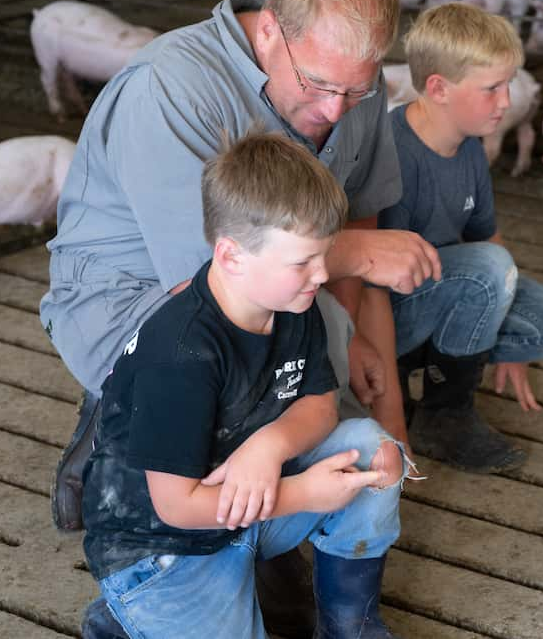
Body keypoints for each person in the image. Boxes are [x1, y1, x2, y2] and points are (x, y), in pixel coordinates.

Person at [41, 0, 437, 638]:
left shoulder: (349, 88)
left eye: (357, 90)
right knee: (243, 350)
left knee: (317, 334)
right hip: (137, 299)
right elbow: (208, 276)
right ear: (268, 33)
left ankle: (273, 540)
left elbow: (351, 229)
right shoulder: (171, 84)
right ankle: (120, 433)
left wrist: (376, 394)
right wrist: (359, 268)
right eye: (318, 85)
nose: (338, 110)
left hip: (279, 298)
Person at [82, 131, 407, 639]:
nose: (321, 274)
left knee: (373, 450)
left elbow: (320, 401)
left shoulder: (291, 301)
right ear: (232, 256)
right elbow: (177, 506)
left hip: (245, 504)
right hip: (165, 546)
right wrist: (301, 492)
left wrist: (269, 446)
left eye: (323, 255)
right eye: (303, 261)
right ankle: (129, 616)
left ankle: (350, 626)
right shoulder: (181, 353)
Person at [378, 2, 543, 473]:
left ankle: (442, 390)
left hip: (453, 287)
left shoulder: (467, 145)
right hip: (388, 313)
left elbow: (488, 236)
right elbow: (371, 288)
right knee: (489, 272)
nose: (506, 101)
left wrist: (503, 322)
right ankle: (446, 411)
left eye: (507, 85)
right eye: (491, 88)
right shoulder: (396, 156)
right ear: (438, 88)